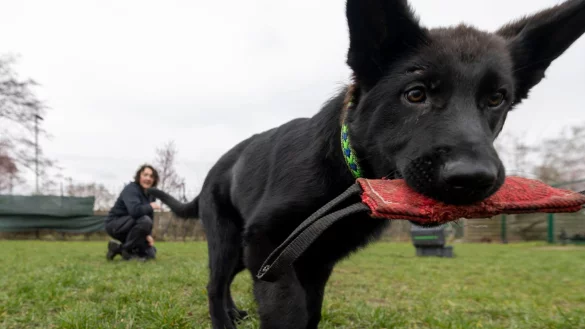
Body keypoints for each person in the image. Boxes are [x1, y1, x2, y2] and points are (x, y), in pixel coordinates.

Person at [105, 164, 161, 261]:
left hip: (135, 227)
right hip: (116, 225)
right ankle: (127, 253)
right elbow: (135, 211)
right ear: (139, 176)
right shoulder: (131, 189)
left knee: (151, 253)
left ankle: (116, 248)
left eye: (151, 176)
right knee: (145, 221)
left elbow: (150, 217)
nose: (148, 178)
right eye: (145, 175)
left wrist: (149, 235)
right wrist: (151, 206)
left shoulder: (151, 195)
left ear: (154, 180)